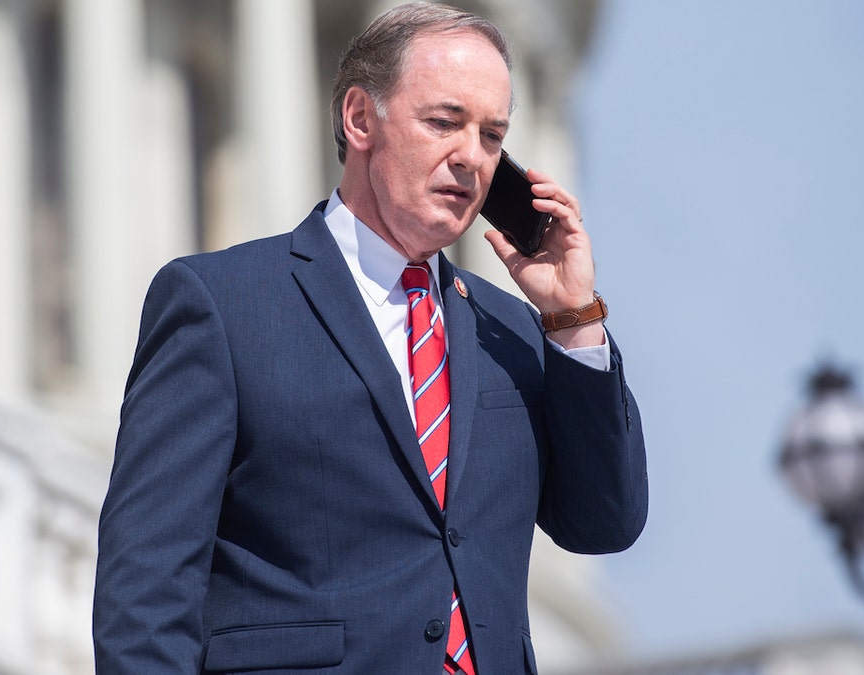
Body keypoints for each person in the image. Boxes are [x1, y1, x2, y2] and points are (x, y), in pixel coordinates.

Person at [92, 3, 648, 674]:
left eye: (493, 135)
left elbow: (606, 520)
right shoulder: (223, 305)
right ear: (360, 118)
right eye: (444, 121)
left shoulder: (517, 334)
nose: (472, 157)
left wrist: (574, 316)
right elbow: (145, 593)